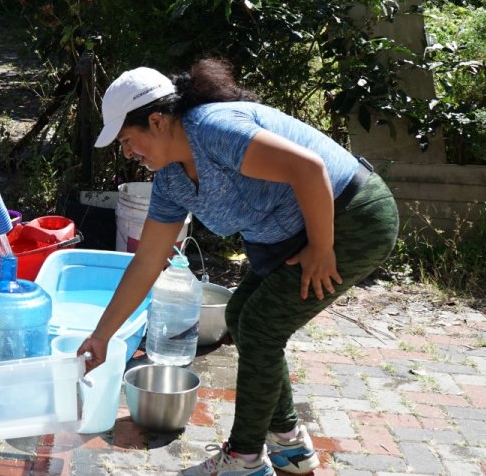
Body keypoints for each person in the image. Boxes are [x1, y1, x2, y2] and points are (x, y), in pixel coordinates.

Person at [77, 60, 399, 476]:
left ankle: (245, 459)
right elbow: (147, 262)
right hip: (296, 235)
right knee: (240, 316)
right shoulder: (172, 181)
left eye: (127, 140)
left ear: (156, 121)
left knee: (262, 326)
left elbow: (309, 169)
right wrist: (101, 336)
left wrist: (322, 247)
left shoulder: (213, 130)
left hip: (352, 218)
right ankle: (288, 445)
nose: (128, 153)